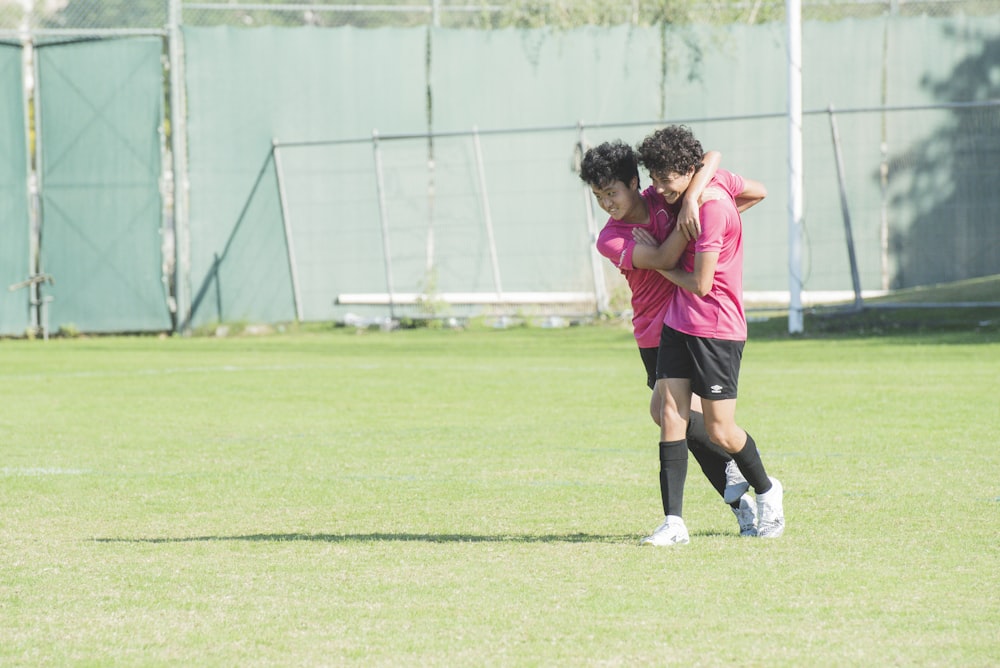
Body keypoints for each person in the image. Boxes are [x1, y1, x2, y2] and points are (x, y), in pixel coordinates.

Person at [579, 140, 760, 539]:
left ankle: (697, 510)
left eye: (612, 192)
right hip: (653, 333)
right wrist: (688, 223)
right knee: (668, 415)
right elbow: (661, 259)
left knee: (673, 417)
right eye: (598, 197)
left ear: (633, 182)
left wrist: (695, 200)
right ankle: (737, 491)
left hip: (693, 323)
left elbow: (713, 158)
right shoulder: (610, 238)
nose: (607, 203)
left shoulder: (667, 196)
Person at [635, 125, 783, 546]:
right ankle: (674, 524)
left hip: (717, 328)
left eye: (666, 180)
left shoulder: (714, 208)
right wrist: (691, 194)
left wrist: (660, 263)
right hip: (677, 324)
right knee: (669, 415)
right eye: (654, 179)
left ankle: (768, 490)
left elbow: (701, 285)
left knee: (721, 430)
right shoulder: (705, 184)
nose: (659, 189)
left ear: (687, 171)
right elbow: (749, 185)